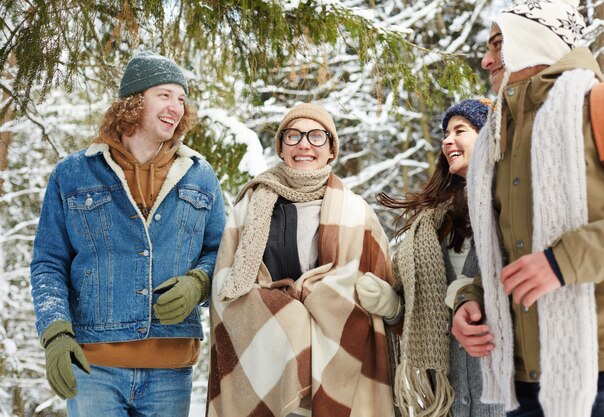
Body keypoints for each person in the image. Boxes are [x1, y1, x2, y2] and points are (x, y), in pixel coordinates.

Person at [450, 1, 604, 417]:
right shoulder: (496, 139)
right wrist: (472, 303)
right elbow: (505, 249)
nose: (486, 59)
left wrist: (562, 261)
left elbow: (548, 260)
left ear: (534, 43)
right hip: (520, 375)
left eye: (498, 44)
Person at [30, 51, 226, 416]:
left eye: (182, 98)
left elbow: (222, 252)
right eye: (164, 95)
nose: (176, 107)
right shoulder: (74, 173)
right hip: (94, 367)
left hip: (171, 369)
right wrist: (55, 331)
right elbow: (48, 263)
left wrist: (199, 283)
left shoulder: (199, 174)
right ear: (134, 101)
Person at [206, 103, 396, 417]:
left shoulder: (357, 211)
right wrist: (287, 314)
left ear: (331, 149)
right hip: (266, 367)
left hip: (341, 368)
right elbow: (226, 285)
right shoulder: (250, 205)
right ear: (281, 147)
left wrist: (313, 295)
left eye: (316, 136)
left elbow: (375, 285)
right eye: (293, 136)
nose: (304, 144)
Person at [364, 99, 504, 417]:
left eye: (460, 130)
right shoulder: (433, 226)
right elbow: (422, 324)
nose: (447, 140)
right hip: (450, 397)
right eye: (445, 134)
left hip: (506, 393)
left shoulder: (513, 210)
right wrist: (392, 308)